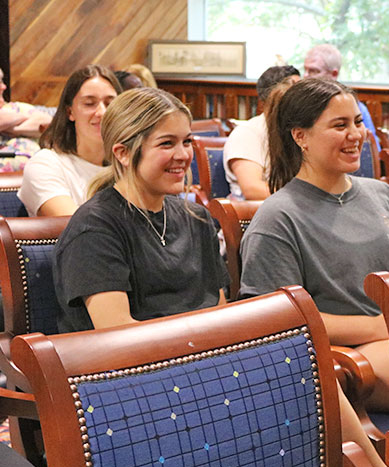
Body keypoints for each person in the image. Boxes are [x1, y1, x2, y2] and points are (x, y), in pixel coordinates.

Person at [238, 78, 389, 467]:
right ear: (301, 137)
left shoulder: (382, 195)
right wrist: (380, 326)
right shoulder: (278, 218)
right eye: (340, 125)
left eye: (357, 122)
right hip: (351, 357)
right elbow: (279, 326)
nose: (355, 135)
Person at [54, 87, 228, 333]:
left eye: (187, 141)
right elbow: (118, 333)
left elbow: (220, 312)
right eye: (166, 143)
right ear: (123, 153)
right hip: (136, 355)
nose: (183, 155)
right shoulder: (94, 229)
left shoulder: (197, 217)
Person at [17, 64, 121, 216]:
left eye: (110, 104)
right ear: (70, 112)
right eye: (89, 103)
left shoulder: (129, 165)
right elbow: (75, 226)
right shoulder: (45, 164)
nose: (102, 112)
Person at [222, 65, 300, 200]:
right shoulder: (247, 133)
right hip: (255, 208)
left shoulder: (300, 131)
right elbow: (252, 190)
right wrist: (306, 197)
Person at [303, 44, 380, 150]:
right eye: (305, 70)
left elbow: (372, 150)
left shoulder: (357, 108)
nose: (305, 76)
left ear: (334, 74)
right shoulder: (300, 105)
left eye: (314, 71)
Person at [0, 67, 54, 171]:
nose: (4, 87)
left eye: (2, 81)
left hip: (37, 175)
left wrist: (14, 128)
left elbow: (49, 125)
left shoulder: (17, 108)